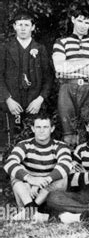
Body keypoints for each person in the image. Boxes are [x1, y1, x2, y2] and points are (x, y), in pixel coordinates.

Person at [52, 7, 89, 147]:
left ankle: (84, 164)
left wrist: (70, 65)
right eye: (80, 21)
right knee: (68, 132)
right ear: (73, 20)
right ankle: (68, 165)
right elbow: (59, 68)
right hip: (67, 88)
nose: (83, 26)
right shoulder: (61, 42)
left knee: (86, 129)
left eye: (87, 23)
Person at [3, 113, 72, 222]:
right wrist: (31, 179)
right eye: (38, 127)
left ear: (52, 129)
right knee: (15, 172)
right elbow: (9, 163)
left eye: (45, 127)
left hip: (48, 193)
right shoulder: (24, 144)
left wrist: (44, 181)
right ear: (33, 129)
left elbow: (66, 164)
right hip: (28, 192)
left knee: (63, 177)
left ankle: (30, 210)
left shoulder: (60, 146)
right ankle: (31, 208)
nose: (42, 130)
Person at [0, 12, 53, 143]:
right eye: (20, 25)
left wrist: (40, 99)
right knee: (11, 141)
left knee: (33, 141)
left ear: (33, 27)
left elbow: (48, 78)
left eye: (27, 25)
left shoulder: (40, 49)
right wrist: (7, 98)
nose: (23, 28)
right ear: (14, 26)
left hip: (33, 104)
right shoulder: (5, 48)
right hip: (12, 103)